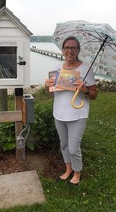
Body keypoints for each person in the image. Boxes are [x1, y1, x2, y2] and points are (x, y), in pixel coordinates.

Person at [45, 36, 98, 185]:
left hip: (77, 114)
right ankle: (68, 169)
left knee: (74, 148)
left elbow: (94, 95)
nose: (70, 50)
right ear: (62, 50)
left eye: (73, 48)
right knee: (64, 144)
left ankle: (77, 172)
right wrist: (46, 85)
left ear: (78, 50)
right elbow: (50, 92)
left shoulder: (86, 69)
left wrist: (85, 89)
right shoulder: (57, 68)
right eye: (67, 47)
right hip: (59, 113)